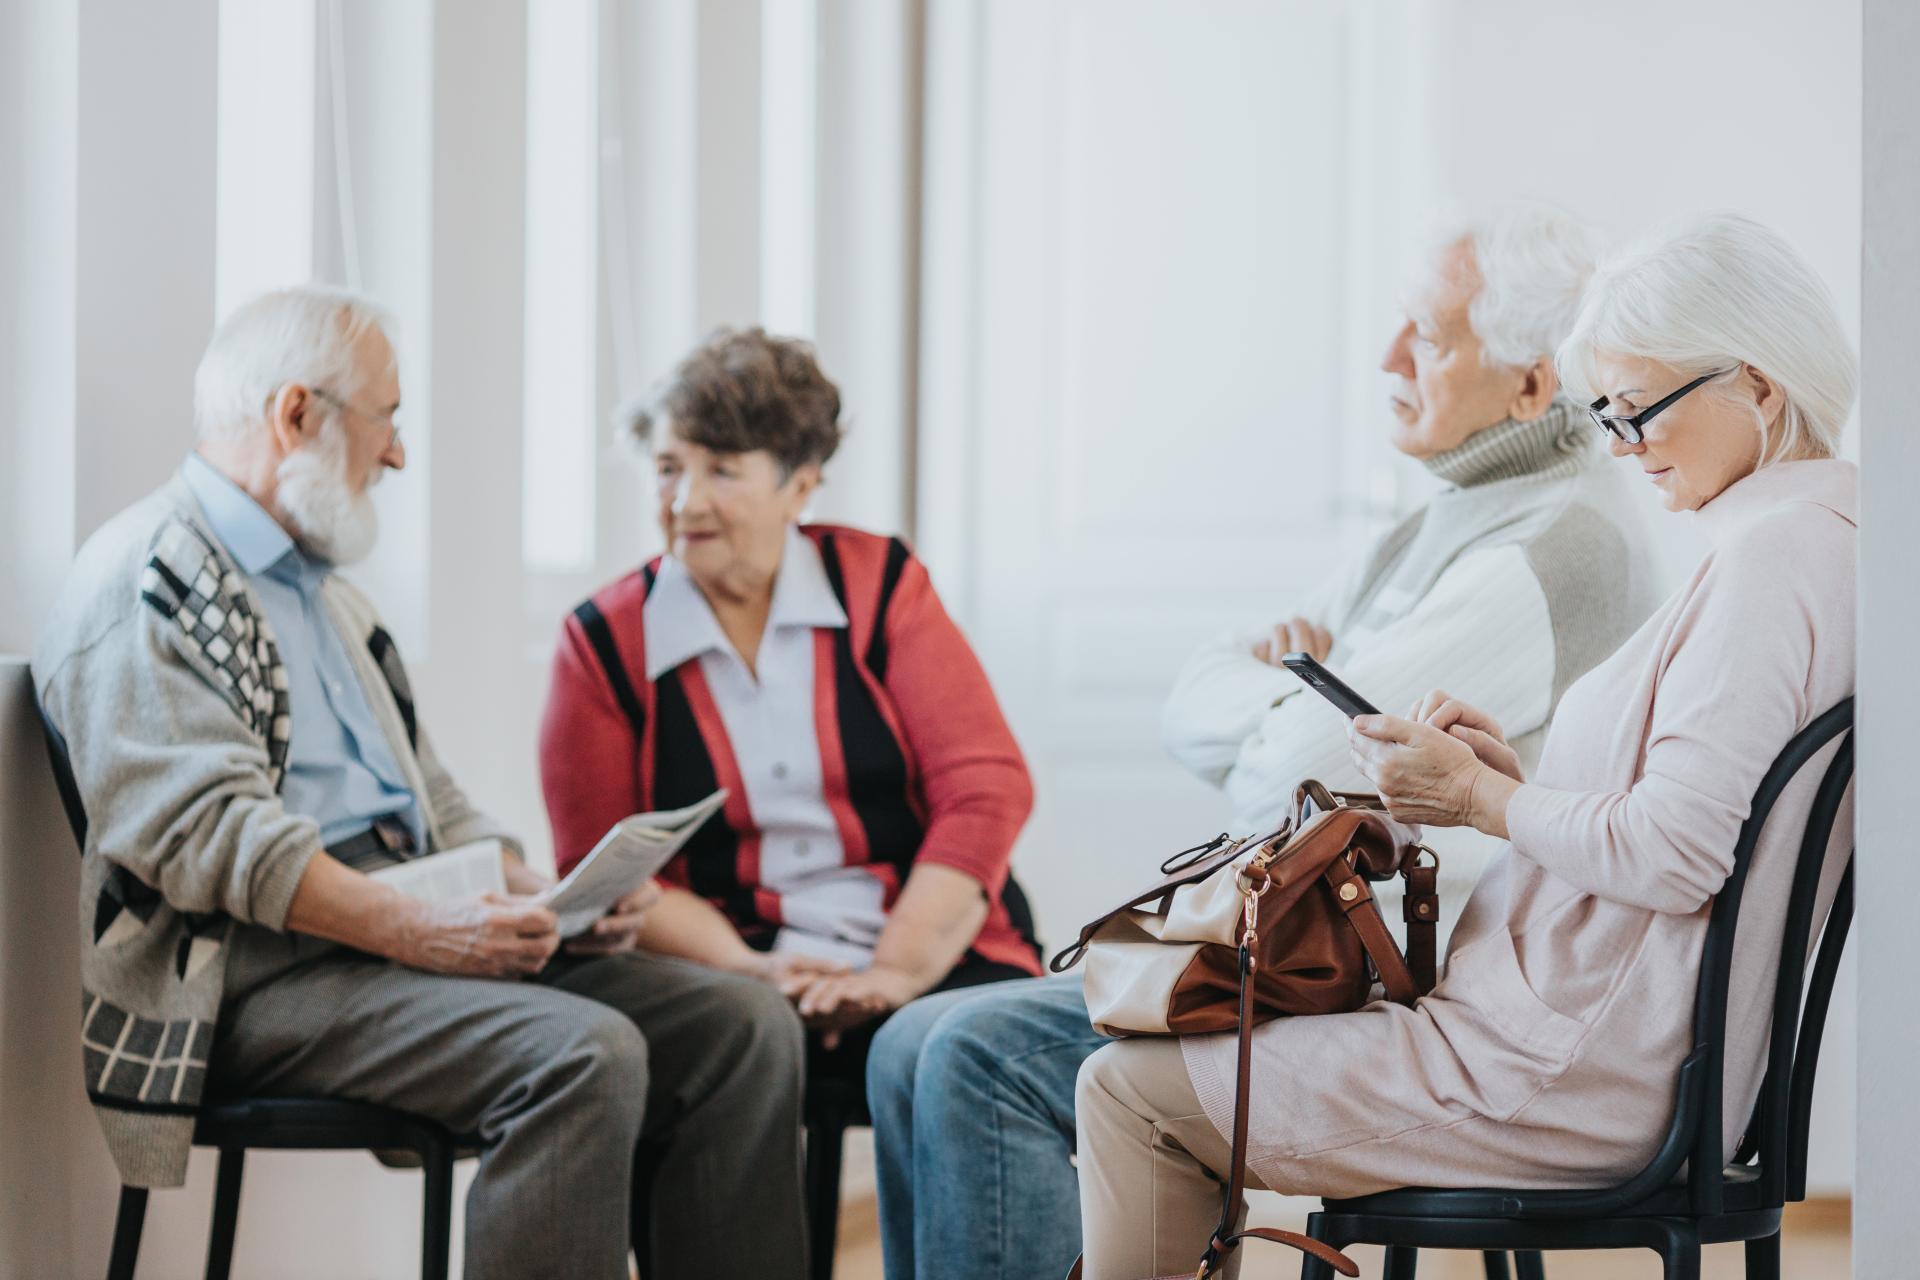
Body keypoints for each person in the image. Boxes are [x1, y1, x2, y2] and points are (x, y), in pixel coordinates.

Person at [866, 205, 1664, 1280]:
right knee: (909, 1042)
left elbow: (1298, 766)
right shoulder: (1439, 519)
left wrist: (1279, 701)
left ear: (1530, 386)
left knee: (969, 1052)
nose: (1386, 360)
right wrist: (1277, 700)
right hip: (1304, 942)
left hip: (1387, 968)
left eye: (1425, 337)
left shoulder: (1553, 547)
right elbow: (1205, 708)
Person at [1073, 212, 1858, 1277]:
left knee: (1126, 1088)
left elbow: (1677, 853)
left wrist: (1480, 803)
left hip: (1566, 1070)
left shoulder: (1770, 564)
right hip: (1606, 1049)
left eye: (1640, 411)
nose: (1624, 447)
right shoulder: (1830, 538)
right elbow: (1690, 823)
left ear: (1759, 387)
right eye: (1609, 416)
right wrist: (1520, 785)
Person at [33, 287, 805, 1280]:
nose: (396, 453)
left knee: (740, 1028)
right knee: (582, 1050)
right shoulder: (144, 577)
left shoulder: (328, 597)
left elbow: (434, 804)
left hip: (395, 944)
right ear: (297, 414)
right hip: (257, 976)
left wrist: (550, 900)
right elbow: (207, 835)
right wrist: (424, 931)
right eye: (385, 419)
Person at [537, 327, 1041, 1093]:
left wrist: (895, 971)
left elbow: (984, 787)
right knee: (739, 1036)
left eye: (723, 472)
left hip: (928, 937)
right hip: (728, 957)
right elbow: (599, 866)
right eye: (668, 468)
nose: (686, 502)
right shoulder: (602, 641)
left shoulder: (882, 584)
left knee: (953, 1053)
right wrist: (746, 967)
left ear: (801, 484)